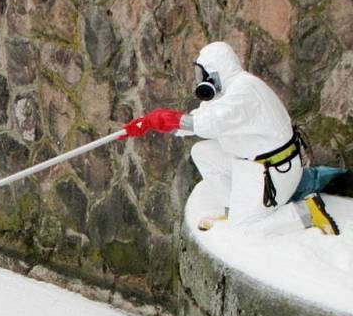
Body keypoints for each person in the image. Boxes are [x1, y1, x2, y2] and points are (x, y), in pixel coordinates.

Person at [124, 41, 339, 236]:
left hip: (275, 171)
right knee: (201, 152)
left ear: (216, 73)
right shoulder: (227, 92)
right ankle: (235, 208)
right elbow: (201, 117)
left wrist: (169, 119)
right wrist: (153, 124)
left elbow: (211, 122)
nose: (200, 80)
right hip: (258, 165)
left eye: (202, 74)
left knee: (243, 230)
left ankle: (307, 212)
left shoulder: (244, 91)